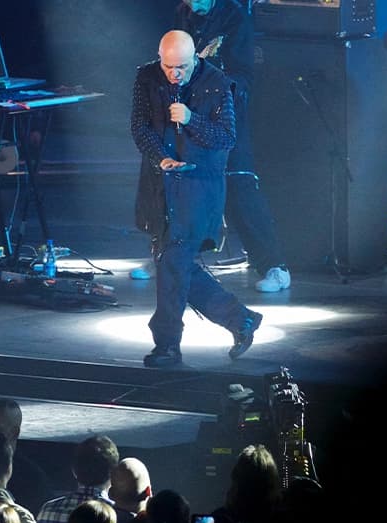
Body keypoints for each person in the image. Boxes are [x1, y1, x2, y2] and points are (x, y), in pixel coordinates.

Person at [130, 30, 264, 367]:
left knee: (173, 263)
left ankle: (167, 345)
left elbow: (226, 137)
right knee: (175, 265)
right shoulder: (146, 77)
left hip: (199, 188)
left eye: (182, 67)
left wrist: (192, 119)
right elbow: (140, 127)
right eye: (168, 66)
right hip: (162, 185)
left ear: (195, 60)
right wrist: (161, 158)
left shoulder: (217, 83)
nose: (175, 74)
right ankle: (240, 319)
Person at [170, 0, 291, 293]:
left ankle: (275, 266)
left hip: (226, 116)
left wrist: (211, 89)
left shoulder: (234, 18)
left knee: (240, 187)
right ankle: (174, 259)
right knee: (181, 186)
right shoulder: (184, 16)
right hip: (191, 115)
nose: (192, 3)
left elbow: (243, 76)